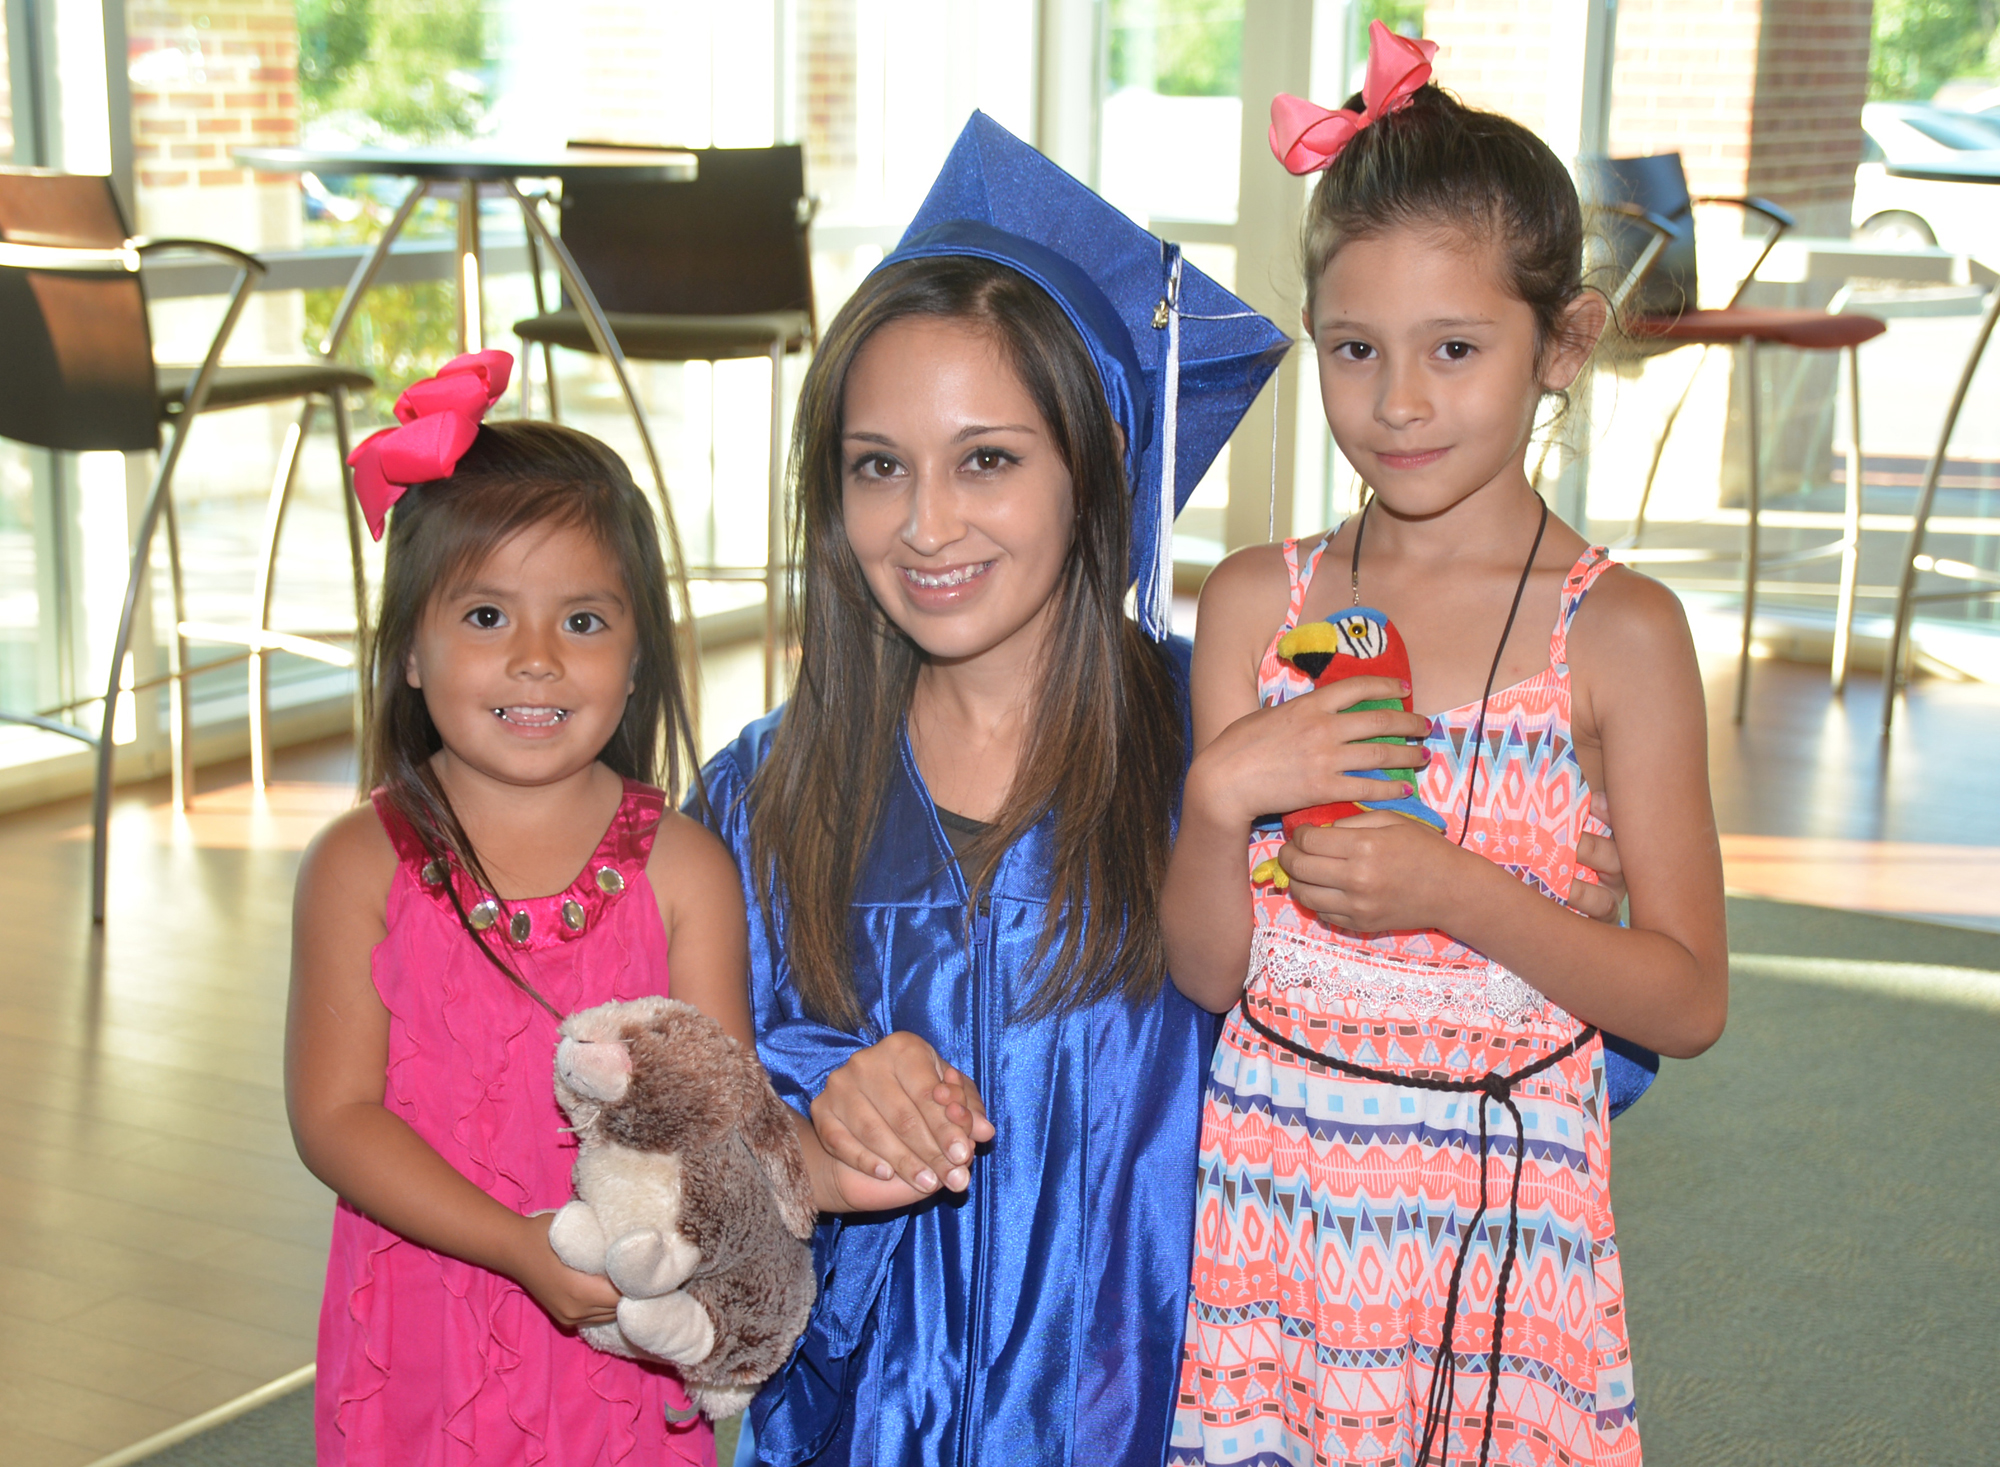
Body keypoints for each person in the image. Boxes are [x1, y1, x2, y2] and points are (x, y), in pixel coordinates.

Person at [1167, 27, 1727, 1467]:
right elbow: (1205, 968)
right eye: (1354, 350)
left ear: (1566, 343)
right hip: (1279, 1187)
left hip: (1499, 1211)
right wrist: (1220, 791)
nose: (1398, 400)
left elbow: (1685, 997)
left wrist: (1460, 890)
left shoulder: (1619, 634)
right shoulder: (1256, 598)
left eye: (1455, 349)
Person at [697, 114, 1291, 1466]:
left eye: (988, 458)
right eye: (878, 465)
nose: (925, 524)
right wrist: (808, 1112)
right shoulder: (759, 798)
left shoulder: (1232, 752)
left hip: (1161, 1411)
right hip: (862, 1423)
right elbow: (663, 1142)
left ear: (1097, 474)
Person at [287, 350, 745, 1465]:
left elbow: (720, 1116)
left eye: (583, 623)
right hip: (422, 1320)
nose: (536, 660)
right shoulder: (358, 864)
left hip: (622, 1349)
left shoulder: (684, 870)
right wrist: (517, 1248)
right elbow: (335, 1119)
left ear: (637, 659)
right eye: (487, 615)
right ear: (408, 648)